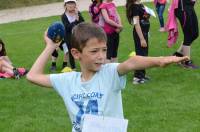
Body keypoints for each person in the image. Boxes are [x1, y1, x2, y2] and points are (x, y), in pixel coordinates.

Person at [27, 22, 188, 132]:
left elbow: (131, 63)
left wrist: (159, 61)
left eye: (104, 50)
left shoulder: (109, 73)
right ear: (76, 54)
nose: (101, 56)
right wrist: (51, 46)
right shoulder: (67, 81)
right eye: (94, 51)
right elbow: (33, 76)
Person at [126, 0, 151, 84]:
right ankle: (137, 77)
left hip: (144, 32)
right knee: (141, 54)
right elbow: (136, 24)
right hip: (140, 34)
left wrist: (147, 15)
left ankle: (142, 74)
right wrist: (141, 39)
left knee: (144, 54)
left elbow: (143, 17)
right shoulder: (134, 7)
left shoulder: (140, 5)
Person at [172, 0, 199, 69]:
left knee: (195, 34)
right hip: (182, 8)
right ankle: (186, 62)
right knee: (188, 34)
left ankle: (178, 55)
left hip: (190, 7)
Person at [61, 0, 84, 70]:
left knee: (81, 50)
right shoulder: (64, 16)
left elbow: (83, 23)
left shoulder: (78, 13)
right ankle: (73, 68)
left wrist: (78, 15)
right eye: (68, 4)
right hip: (69, 37)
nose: (71, 5)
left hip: (78, 36)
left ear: (75, 5)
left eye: (72, 3)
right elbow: (67, 27)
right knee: (71, 52)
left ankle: (84, 65)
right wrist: (76, 21)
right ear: (65, 6)